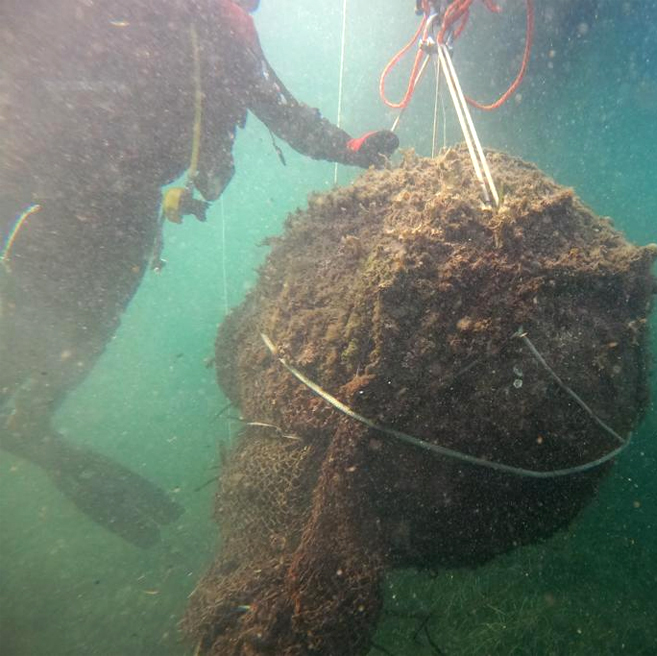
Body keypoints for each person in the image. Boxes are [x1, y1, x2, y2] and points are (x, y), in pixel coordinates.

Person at [0, 0, 399, 547]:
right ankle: (26, 420)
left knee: (76, 332)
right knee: (43, 327)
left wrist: (352, 148)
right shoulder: (177, 21)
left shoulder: (228, 33)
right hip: (57, 194)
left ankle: (30, 422)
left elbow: (286, 115)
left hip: (117, 211)